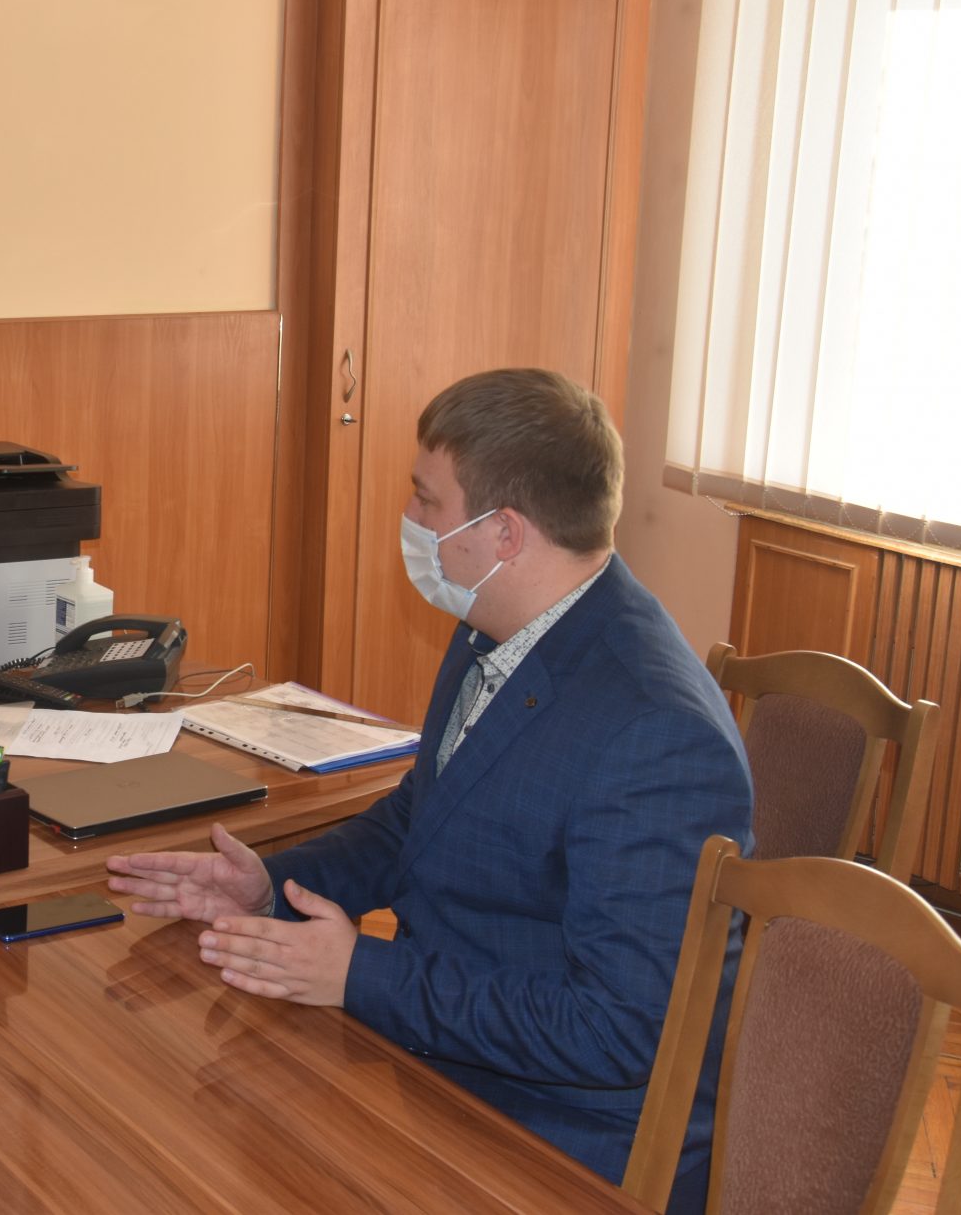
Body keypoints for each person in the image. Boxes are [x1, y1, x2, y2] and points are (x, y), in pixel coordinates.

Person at [106, 368, 750, 1210]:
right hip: (449, 1063)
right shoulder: (498, 626)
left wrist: (363, 974)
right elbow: (424, 815)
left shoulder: (654, 731)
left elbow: (617, 1028)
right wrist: (273, 884)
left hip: (567, 1143)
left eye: (427, 500)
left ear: (505, 532)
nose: (410, 520)